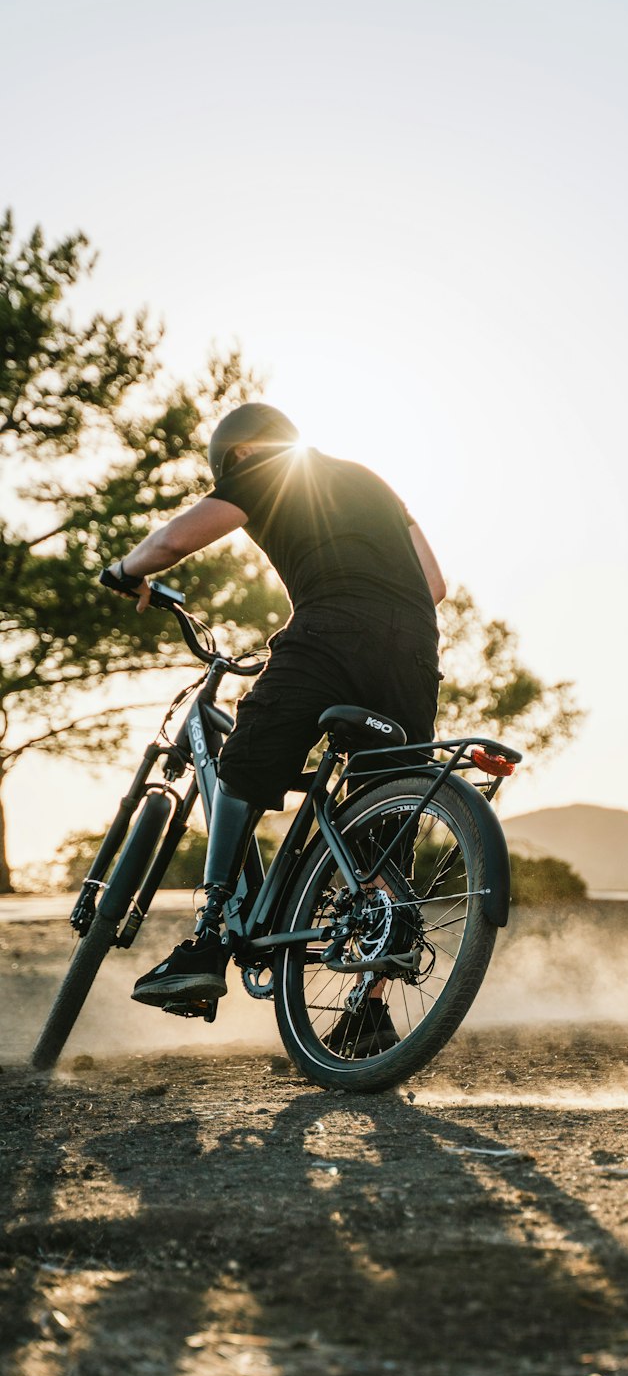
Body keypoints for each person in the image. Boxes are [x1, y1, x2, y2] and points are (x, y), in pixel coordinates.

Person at [108, 403, 445, 1053]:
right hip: (413, 650)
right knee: (383, 811)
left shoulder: (265, 469)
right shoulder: (373, 481)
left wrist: (128, 571)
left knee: (246, 757)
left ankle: (207, 943)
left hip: (330, 627)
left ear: (235, 456)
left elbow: (174, 541)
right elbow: (433, 584)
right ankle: (370, 1011)